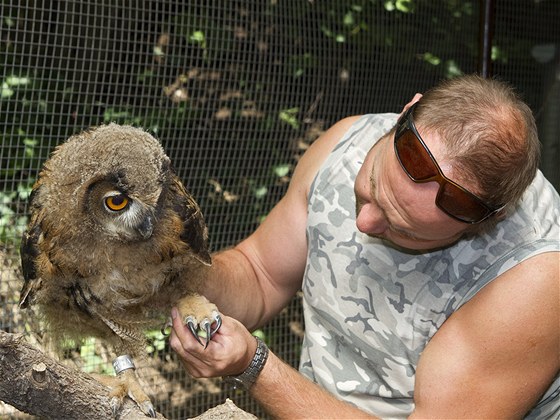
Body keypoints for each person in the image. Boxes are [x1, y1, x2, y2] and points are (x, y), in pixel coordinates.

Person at [170, 74, 560, 419]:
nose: (365, 223)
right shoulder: (347, 140)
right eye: (372, 184)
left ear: (488, 221)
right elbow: (261, 274)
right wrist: (168, 267)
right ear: (407, 112)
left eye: (404, 229)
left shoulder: (534, 282)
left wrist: (255, 365)